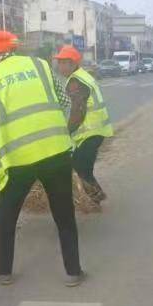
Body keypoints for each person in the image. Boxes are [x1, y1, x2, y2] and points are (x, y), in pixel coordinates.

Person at [0, 30, 85, 287]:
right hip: (56, 153)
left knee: (7, 217)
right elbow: (65, 102)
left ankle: (4, 272)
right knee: (64, 215)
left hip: (19, 160)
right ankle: (73, 272)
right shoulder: (40, 66)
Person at [53, 45, 114, 203]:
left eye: (63, 62)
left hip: (91, 132)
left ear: (73, 63)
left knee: (80, 166)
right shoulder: (82, 76)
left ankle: (97, 199)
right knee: (83, 166)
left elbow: (77, 112)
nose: (59, 66)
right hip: (96, 130)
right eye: (58, 62)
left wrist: (67, 132)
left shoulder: (75, 81)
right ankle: (96, 198)